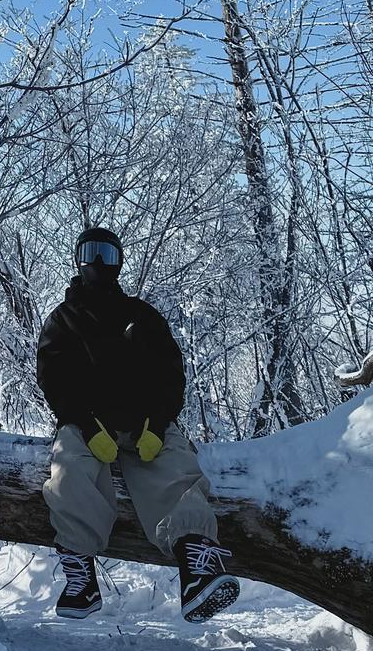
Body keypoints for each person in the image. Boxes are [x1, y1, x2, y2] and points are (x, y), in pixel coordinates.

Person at [35, 226, 240, 623]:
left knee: (177, 467)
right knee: (69, 468)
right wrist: (84, 424)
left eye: (107, 255)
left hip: (145, 423)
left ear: (119, 263)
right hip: (87, 424)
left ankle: (196, 566)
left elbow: (171, 373)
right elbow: (53, 380)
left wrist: (159, 423)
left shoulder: (142, 316)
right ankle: (81, 577)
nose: (98, 263)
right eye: (91, 253)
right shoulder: (62, 321)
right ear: (78, 260)